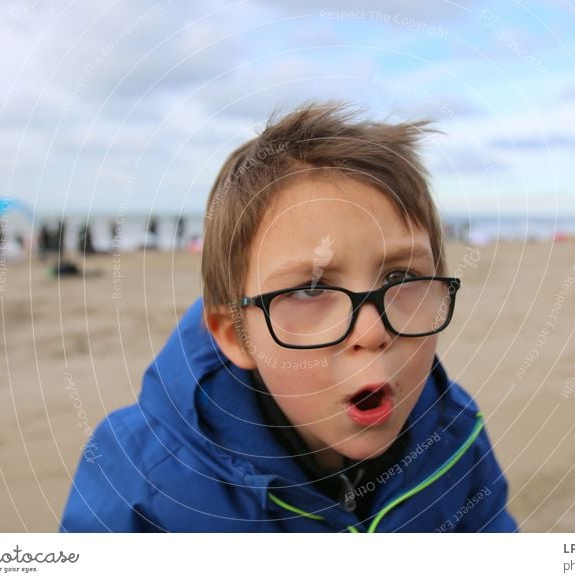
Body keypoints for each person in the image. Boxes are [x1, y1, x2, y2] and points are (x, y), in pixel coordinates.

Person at [60, 103, 516, 533]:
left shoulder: (453, 438)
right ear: (235, 336)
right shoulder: (141, 475)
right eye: (310, 289)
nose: (373, 331)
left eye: (402, 275)